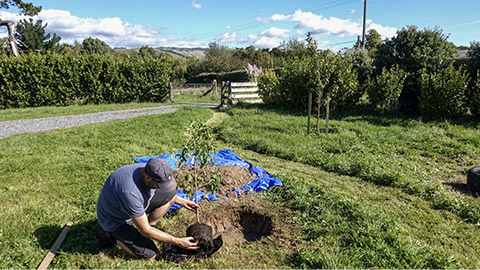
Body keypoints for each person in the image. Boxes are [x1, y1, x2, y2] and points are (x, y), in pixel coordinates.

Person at [96, 158, 200, 260]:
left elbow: (166, 193)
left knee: (171, 195)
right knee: (150, 254)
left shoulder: (146, 170)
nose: (160, 188)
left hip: (128, 206)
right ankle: (110, 235)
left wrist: (181, 201)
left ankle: (150, 228)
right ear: (148, 178)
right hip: (115, 221)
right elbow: (145, 230)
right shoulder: (130, 192)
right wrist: (177, 241)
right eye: (159, 185)